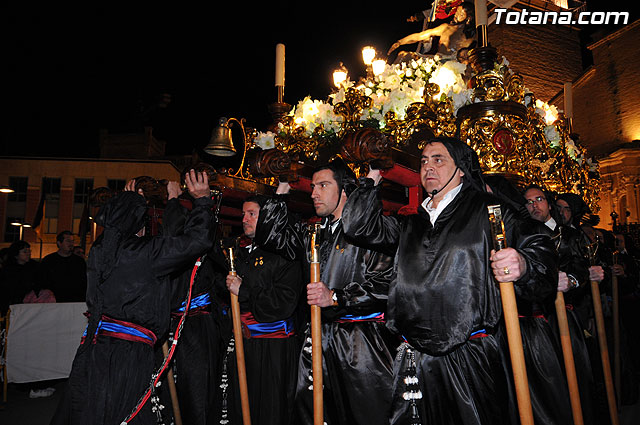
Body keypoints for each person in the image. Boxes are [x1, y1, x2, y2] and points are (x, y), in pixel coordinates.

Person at [341, 137, 557, 425]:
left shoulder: (489, 210)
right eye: (424, 161)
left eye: (439, 159)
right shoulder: (412, 222)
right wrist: (373, 174)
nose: (428, 166)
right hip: (415, 355)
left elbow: (539, 247)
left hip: (470, 353)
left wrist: (524, 263)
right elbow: (357, 225)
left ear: (462, 170)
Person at [52, 170, 215, 425]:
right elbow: (196, 241)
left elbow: (118, 228)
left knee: (93, 411)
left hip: (96, 349)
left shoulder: (99, 251)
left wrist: (128, 203)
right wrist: (201, 200)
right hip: (127, 356)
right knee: (125, 413)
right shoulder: (144, 253)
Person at [254, 158, 397, 425]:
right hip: (318, 341)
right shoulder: (314, 233)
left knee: (364, 415)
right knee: (314, 413)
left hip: (360, 345)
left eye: (322, 185)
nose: (313, 193)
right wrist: (283, 184)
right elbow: (270, 236)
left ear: (344, 191)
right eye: (312, 187)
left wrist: (336, 297)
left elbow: (388, 286)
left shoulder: (372, 232)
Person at [222, 194, 303, 425]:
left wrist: (244, 290)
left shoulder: (286, 255)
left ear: (267, 218)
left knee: (271, 409)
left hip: (273, 348)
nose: (244, 219)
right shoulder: (242, 254)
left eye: (251, 214)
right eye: (243, 214)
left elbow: (284, 302)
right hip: (245, 344)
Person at [523, 185, 597, 424]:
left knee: (573, 379)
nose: (535, 205)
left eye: (539, 199)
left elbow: (581, 269)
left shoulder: (570, 236)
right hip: (531, 325)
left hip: (561, 319)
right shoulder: (523, 235)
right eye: (529, 202)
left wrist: (572, 281)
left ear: (549, 203)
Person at [163, 182, 231, 425]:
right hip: (172, 326)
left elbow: (219, 280)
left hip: (198, 327)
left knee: (198, 389)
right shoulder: (171, 248)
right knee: (172, 391)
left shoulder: (206, 248)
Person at [38, 231, 87, 303]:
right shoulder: (48, 261)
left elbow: (84, 282)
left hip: (75, 301)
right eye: (68, 241)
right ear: (59, 243)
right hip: (55, 302)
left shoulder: (79, 261)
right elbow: (42, 281)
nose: (71, 244)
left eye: (72, 241)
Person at [0, 240, 42, 314]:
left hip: (29, 304)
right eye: (25, 252)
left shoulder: (35, 267)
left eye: (29, 251)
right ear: (16, 254)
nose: (29, 254)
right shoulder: (8, 269)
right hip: (12, 304)